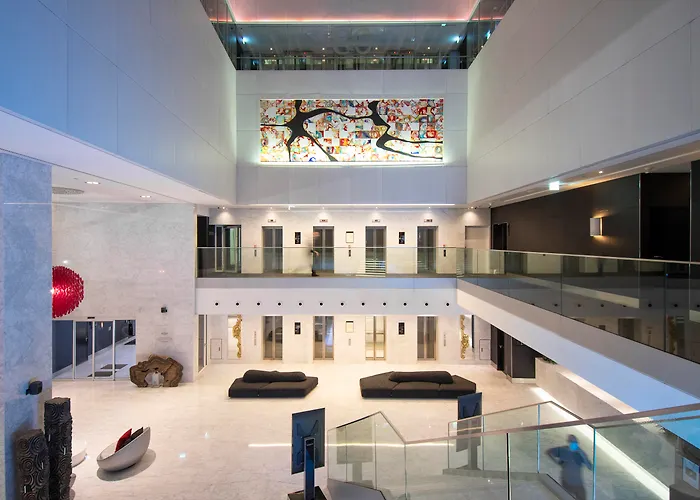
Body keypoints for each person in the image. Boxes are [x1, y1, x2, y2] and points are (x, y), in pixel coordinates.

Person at [546, 435, 592, 500]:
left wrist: (583, 456)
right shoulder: (562, 450)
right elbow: (549, 452)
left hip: (578, 484)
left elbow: (590, 467)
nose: (574, 444)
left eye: (575, 443)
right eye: (572, 442)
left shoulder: (580, 453)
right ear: (569, 442)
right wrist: (556, 462)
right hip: (567, 483)